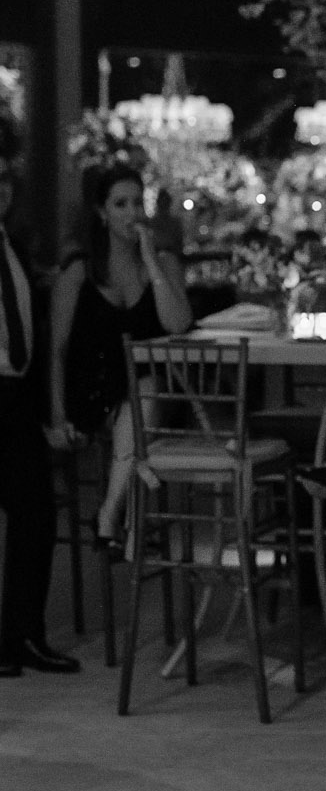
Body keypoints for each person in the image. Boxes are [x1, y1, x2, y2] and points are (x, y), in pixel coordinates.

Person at [48, 164, 193, 549]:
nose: (132, 213)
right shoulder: (80, 271)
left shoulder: (163, 263)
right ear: (102, 212)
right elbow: (58, 349)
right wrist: (58, 416)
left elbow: (178, 323)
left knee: (145, 391)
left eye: (137, 203)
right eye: (120, 204)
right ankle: (122, 514)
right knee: (142, 396)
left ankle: (110, 515)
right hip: (93, 389)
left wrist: (151, 261)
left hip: (151, 392)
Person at [0, 133, 80, 678]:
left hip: (15, 399)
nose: (1, 190)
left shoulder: (12, 244)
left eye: (5, 180)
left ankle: (22, 636)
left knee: (35, 513)